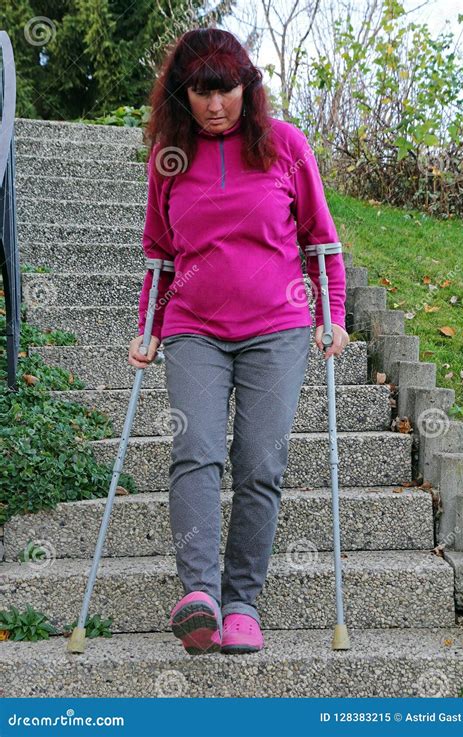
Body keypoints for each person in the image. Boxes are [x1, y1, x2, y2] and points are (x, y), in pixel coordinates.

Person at [128, 28, 349, 656]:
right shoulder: (170, 157)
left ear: (246, 89)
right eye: (201, 92)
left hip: (277, 328)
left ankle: (242, 601)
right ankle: (198, 594)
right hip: (193, 327)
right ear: (183, 95)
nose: (215, 105)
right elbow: (159, 253)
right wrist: (148, 325)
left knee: (261, 461)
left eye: (225, 90)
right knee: (194, 449)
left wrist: (330, 313)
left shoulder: (283, 146)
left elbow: (322, 241)